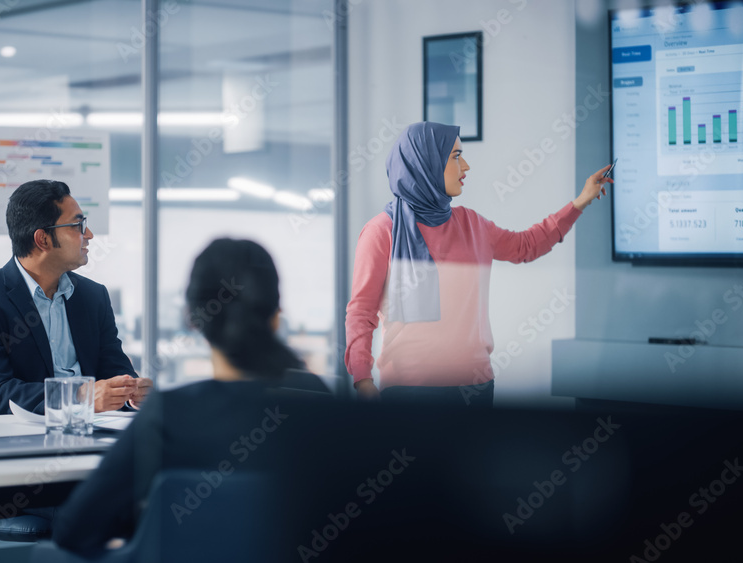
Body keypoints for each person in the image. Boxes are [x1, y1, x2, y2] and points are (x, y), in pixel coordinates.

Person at [53, 238, 327, 558]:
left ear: (193, 319)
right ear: (277, 315)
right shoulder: (324, 403)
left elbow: (74, 530)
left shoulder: (169, 414)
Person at [345, 122, 611, 405]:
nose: (467, 166)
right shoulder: (381, 231)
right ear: (427, 163)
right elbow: (361, 311)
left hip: (475, 389)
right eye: (456, 157)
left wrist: (581, 201)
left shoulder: (473, 224)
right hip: (409, 392)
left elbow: (527, 246)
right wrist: (362, 380)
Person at [0, 179, 152, 416]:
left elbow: (114, 368)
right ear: (43, 239)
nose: (88, 234)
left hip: (91, 429)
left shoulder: (93, 296)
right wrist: (80, 396)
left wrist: (132, 391)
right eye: (77, 225)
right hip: (14, 438)